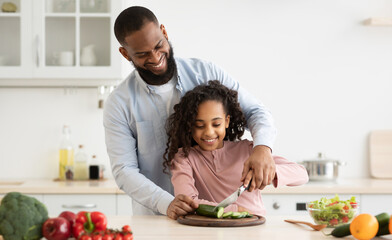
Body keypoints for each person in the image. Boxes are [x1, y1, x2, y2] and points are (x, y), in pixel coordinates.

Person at [103, 6, 277, 219]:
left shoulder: (206, 72)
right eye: (142, 54)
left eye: (159, 46)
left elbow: (256, 111)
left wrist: (262, 148)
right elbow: (124, 170)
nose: (156, 58)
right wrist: (166, 203)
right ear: (124, 53)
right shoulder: (119, 103)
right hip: (157, 219)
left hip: (214, 215)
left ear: (164, 32)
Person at [164, 80, 309, 216]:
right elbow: (187, 201)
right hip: (211, 230)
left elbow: (302, 175)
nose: (209, 132)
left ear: (226, 121)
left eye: (216, 124)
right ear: (190, 125)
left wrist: (267, 171)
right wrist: (235, 210)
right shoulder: (184, 158)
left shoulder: (247, 150)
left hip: (255, 229)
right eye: (199, 125)